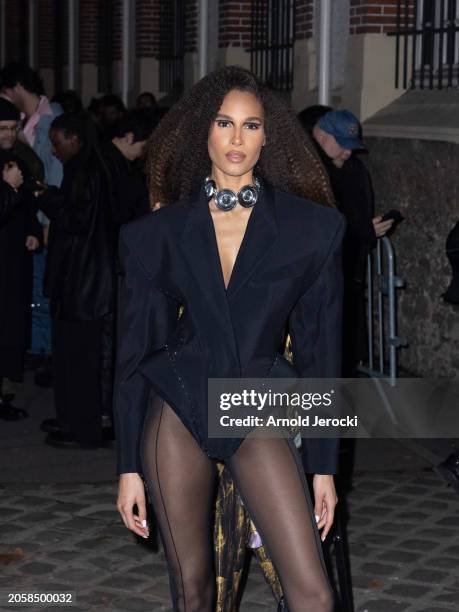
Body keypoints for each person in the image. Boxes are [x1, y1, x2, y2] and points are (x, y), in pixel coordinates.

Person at [115, 66, 345, 611]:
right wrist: (127, 465)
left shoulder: (310, 230)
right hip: (179, 405)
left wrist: (324, 464)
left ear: (269, 138)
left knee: (313, 593)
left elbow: (321, 349)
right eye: (225, 123)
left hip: (254, 402)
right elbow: (133, 352)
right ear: (206, 132)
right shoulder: (156, 233)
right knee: (194, 590)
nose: (237, 138)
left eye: (251, 125)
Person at [35, 113, 116, 449]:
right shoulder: (82, 168)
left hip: (85, 285)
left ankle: (82, 429)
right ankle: (71, 419)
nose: (54, 151)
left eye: (57, 143)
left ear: (75, 140)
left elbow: (77, 219)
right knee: (69, 359)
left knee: (80, 360)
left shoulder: (88, 170)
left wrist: (45, 198)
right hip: (79, 281)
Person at [303, 108, 394, 375]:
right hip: (317, 281)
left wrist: (366, 230)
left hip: (347, 275)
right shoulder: (309, 173)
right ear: (320, 135)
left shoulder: (353, 170)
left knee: (343, 349)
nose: (348, 152)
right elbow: (314, 226)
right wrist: (361, 231)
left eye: (351, 145)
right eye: (341, 144)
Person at [0, 98, 41, 420]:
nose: (9, 135)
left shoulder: (17, 161)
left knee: (12, 327)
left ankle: (5, 390)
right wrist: (9, 189)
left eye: (13, 129)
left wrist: (32, 231)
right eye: (3, 129)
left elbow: (25, 206)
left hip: (14, 261)